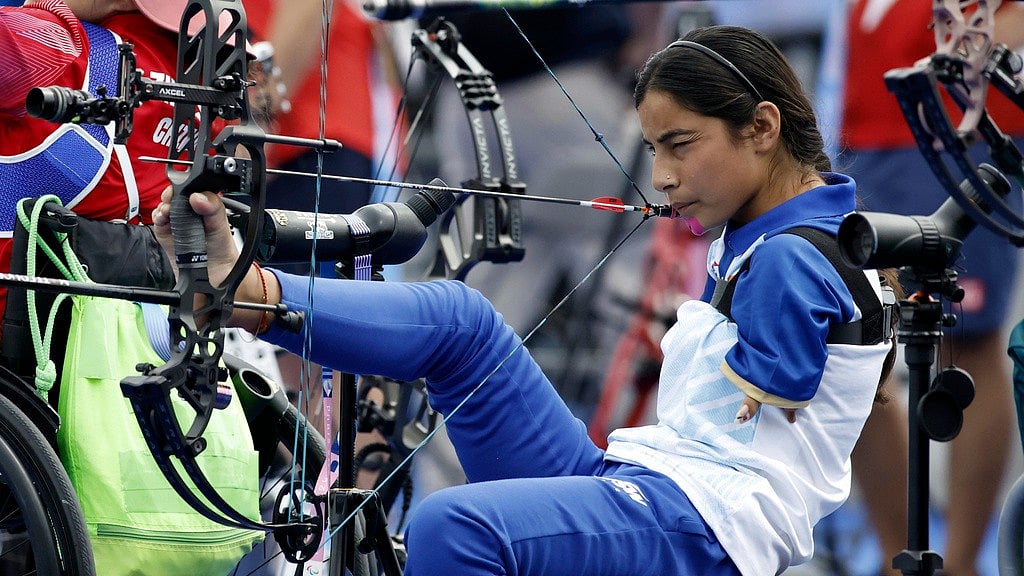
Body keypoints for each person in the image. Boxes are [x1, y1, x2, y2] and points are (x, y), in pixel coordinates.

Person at [154, 25, 900, 576]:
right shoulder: (780, 225)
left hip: (703, 532)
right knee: (460, 321)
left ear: (762, 127)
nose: (662, 177)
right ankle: (243, 294)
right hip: (646, 484)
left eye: (680, 144)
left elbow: (792, 377)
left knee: (456, 528)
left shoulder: (799, 251)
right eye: (656, 149)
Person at [840, 2, 1024, 574]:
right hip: (870, 117)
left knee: (967, 338)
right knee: (857, 345)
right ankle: (900, 558)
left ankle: (964, 562)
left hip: (960, 127)